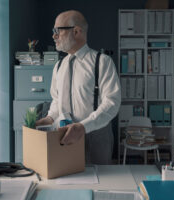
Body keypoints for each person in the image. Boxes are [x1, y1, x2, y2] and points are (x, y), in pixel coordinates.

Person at [36, 10, 121, 164]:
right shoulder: (59, 66)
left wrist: (83, 127)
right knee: (66, 181)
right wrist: (49, 118)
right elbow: (56, 101)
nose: (54, 36)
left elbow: (112, 103)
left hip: (95, 135)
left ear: (76, 31)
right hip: (63, 136)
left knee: (100, 183)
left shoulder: (102, 62)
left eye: (58, 31)